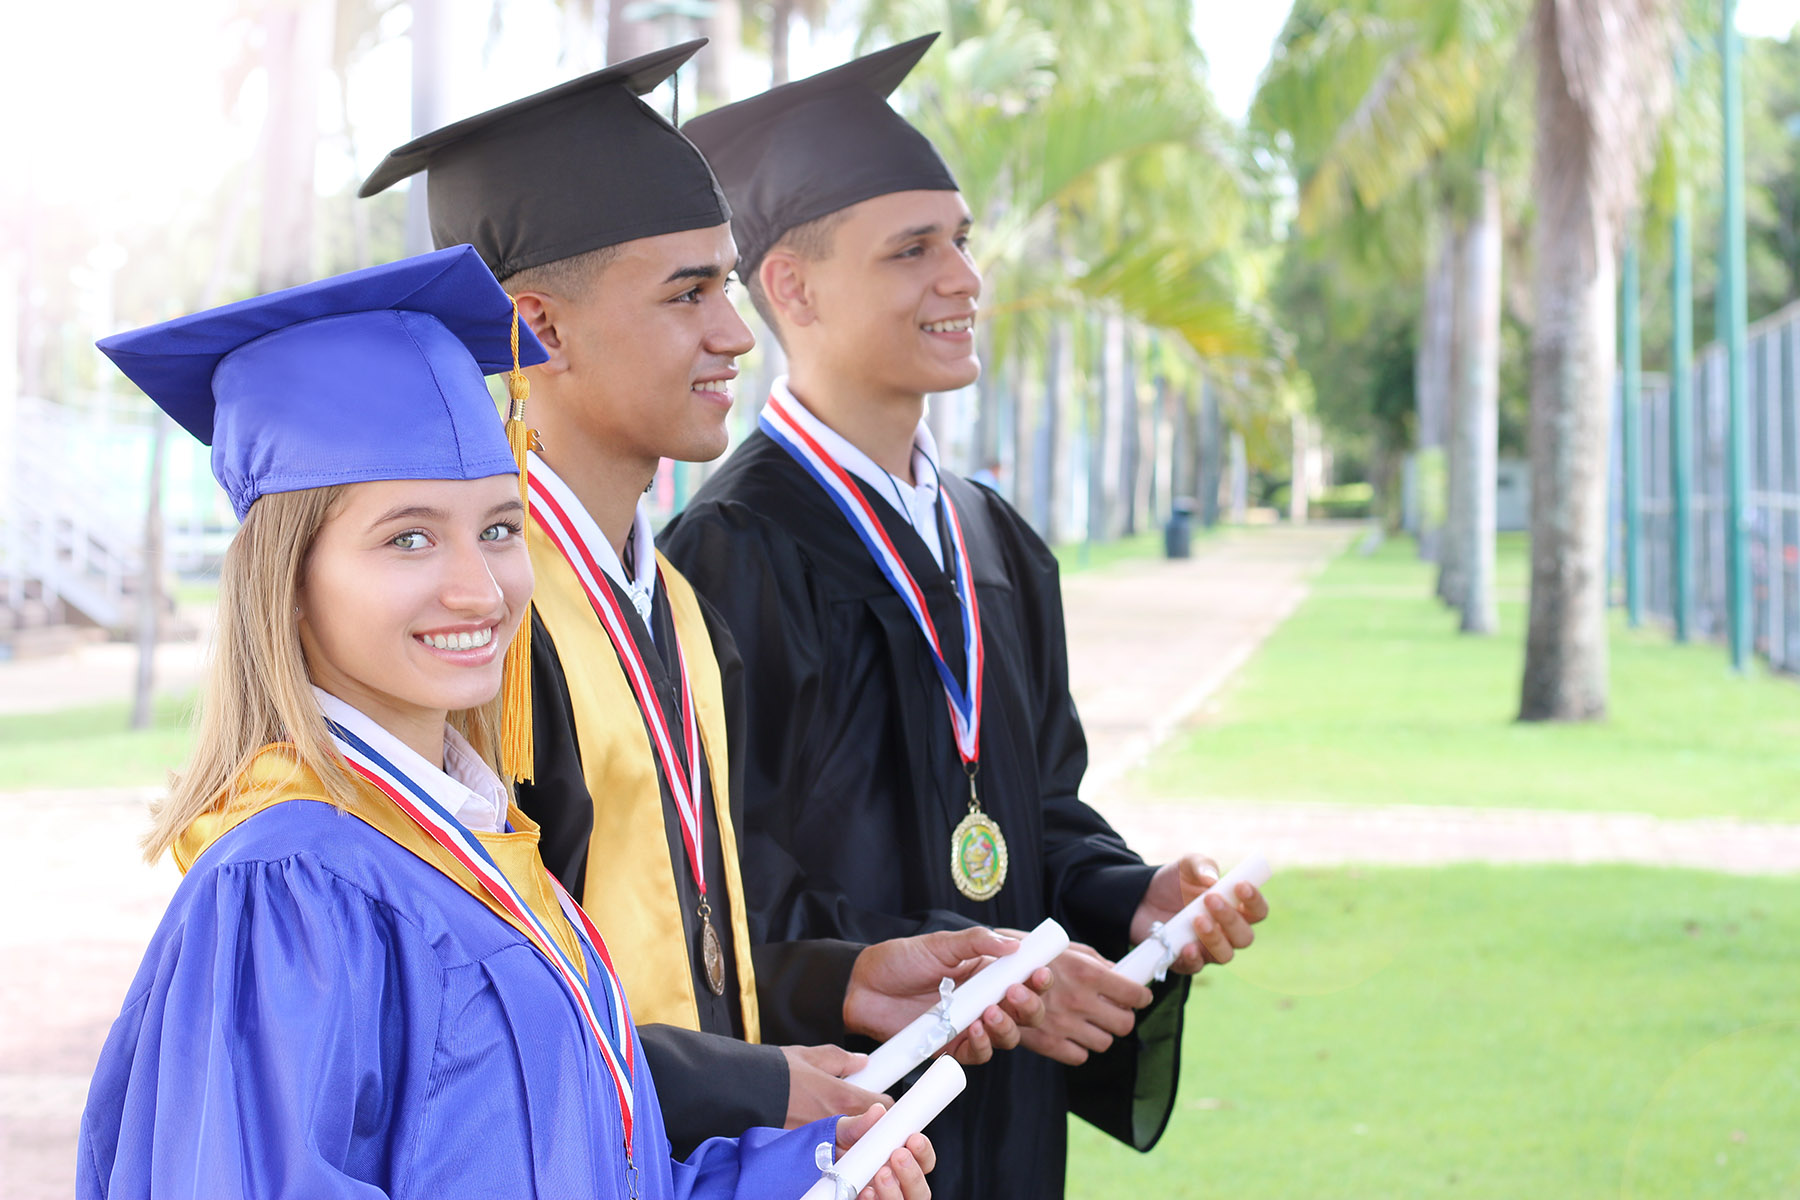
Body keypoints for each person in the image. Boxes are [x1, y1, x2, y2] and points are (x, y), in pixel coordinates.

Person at [78, 245, 933, 1200]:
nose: (479, 587)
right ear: (290, 583)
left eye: (496, 527)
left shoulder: (491, 856)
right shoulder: (294, 888)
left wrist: (802, 1174)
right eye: (407, 537)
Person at [357, 48, 1045, 1156]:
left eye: (726, 284)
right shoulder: (470, 624)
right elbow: (462, 1011)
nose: (734, 334)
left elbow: (694, 938)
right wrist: (751, 1088)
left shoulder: (669, 595)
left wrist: (841, 974)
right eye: (687, 293)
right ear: (537, 327)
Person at [662, 36, 1269, 1199]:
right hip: (856, 1121)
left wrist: (1124, 893)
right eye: (914, 250)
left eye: (963, 241)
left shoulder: (994, 537)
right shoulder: (733, 553)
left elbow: (1035, 809)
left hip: (1011, 1109)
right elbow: (725, 890)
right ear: (790, 285)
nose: (965, 278)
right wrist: (955, 970)